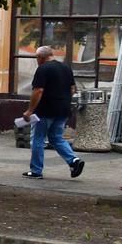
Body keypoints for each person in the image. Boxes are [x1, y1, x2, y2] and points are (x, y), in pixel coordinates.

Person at [22, 45, 83, 180]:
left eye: (36, 58)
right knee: (56, 137)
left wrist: (30, 110)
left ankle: (36, 171)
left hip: (45, 110)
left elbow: (38, 90)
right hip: (63, 109)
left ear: (40, 57)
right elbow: (72, 89)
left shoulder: (43, 69)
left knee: (38, 139)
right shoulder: (66, 68)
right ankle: (74, 161)